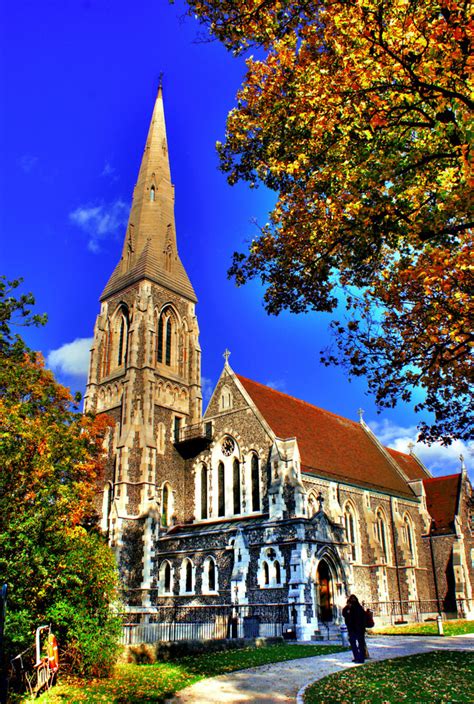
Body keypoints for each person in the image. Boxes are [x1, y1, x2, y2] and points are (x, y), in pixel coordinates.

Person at [342, 594, 366, 663]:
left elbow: (362, 619)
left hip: (358, 628)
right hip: (352, 629)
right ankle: (357, 657)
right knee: (354, 642)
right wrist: (347, 608)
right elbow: (344, 614)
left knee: (360, 643)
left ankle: (360, 658)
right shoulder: (348, 609)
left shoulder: (358, 608)